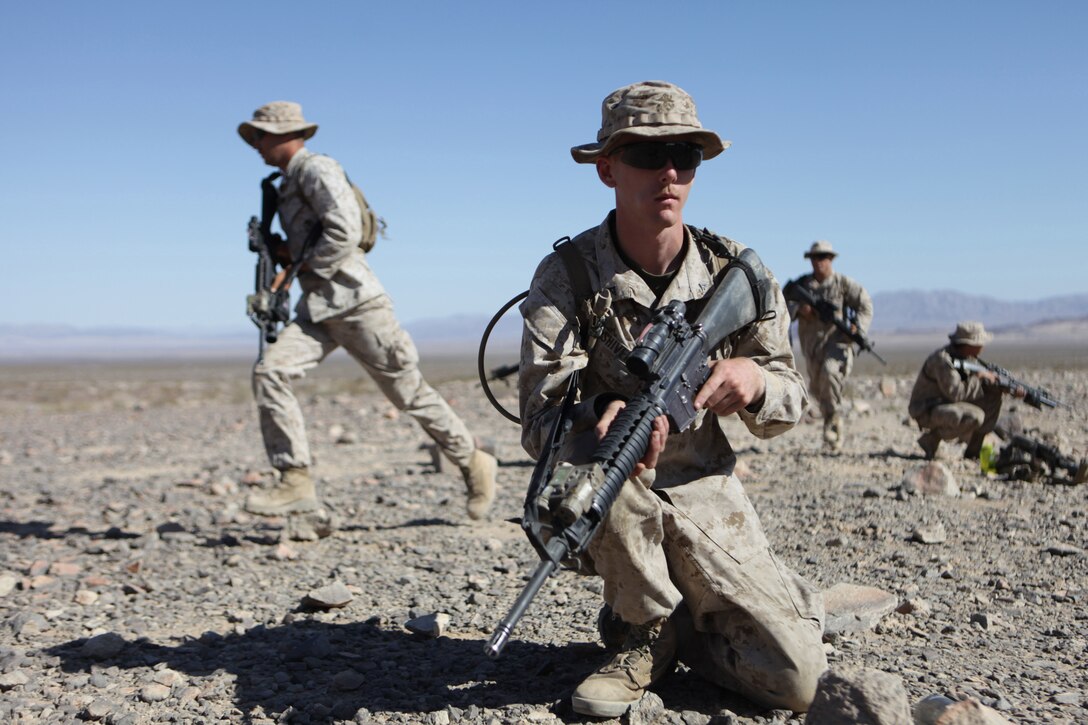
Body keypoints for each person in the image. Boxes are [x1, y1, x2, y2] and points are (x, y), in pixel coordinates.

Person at [518, 81, 827, 718]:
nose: (668, 173)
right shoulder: (567, 277)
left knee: (794, 682)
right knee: (608, 468)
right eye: (644, 156)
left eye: (684, 155)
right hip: (611, 488)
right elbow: (538, 415)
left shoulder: (734, 271)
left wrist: (754, 381)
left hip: (704, 487)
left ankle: (681, 623)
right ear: (605, 168)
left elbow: (790, 397)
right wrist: (592, 417)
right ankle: (644, 631)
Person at [236, 101, 496, 520]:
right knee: (271, 372)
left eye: (261, 136)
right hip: (318, 308)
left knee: (409, 393)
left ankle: (473, 461)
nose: (257, 146)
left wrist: (297, 269)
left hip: (357, 303)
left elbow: (345, 230)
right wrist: (284, 258)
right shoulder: (285, 184)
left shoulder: (316, 169)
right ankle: (295, 479)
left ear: (285, 134)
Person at [786, 241, 873, 452]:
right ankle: (830, 419)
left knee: (829, 372)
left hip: (838, 344)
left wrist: (857, 328)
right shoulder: (802, 286)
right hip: (812, 346)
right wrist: (799, 309)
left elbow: (865, 305)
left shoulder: (843, 284)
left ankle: (833, 427)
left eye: (823, 257)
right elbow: (783, 304)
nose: (819, 262)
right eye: (815, 258)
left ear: (831, 260)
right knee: (818, 388)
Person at [908, 321, 1024, 461]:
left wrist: (1005, 388)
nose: (982, 347)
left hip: (946, 404)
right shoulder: (943, 361)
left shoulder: (969, 359)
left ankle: (973, 451)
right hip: (926, 409)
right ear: (970, 345)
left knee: (993, 397)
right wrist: (979, 378)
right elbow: (956, 393)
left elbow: (977, 385)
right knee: (974, 416)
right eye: (980, 344)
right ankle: (931, 440)